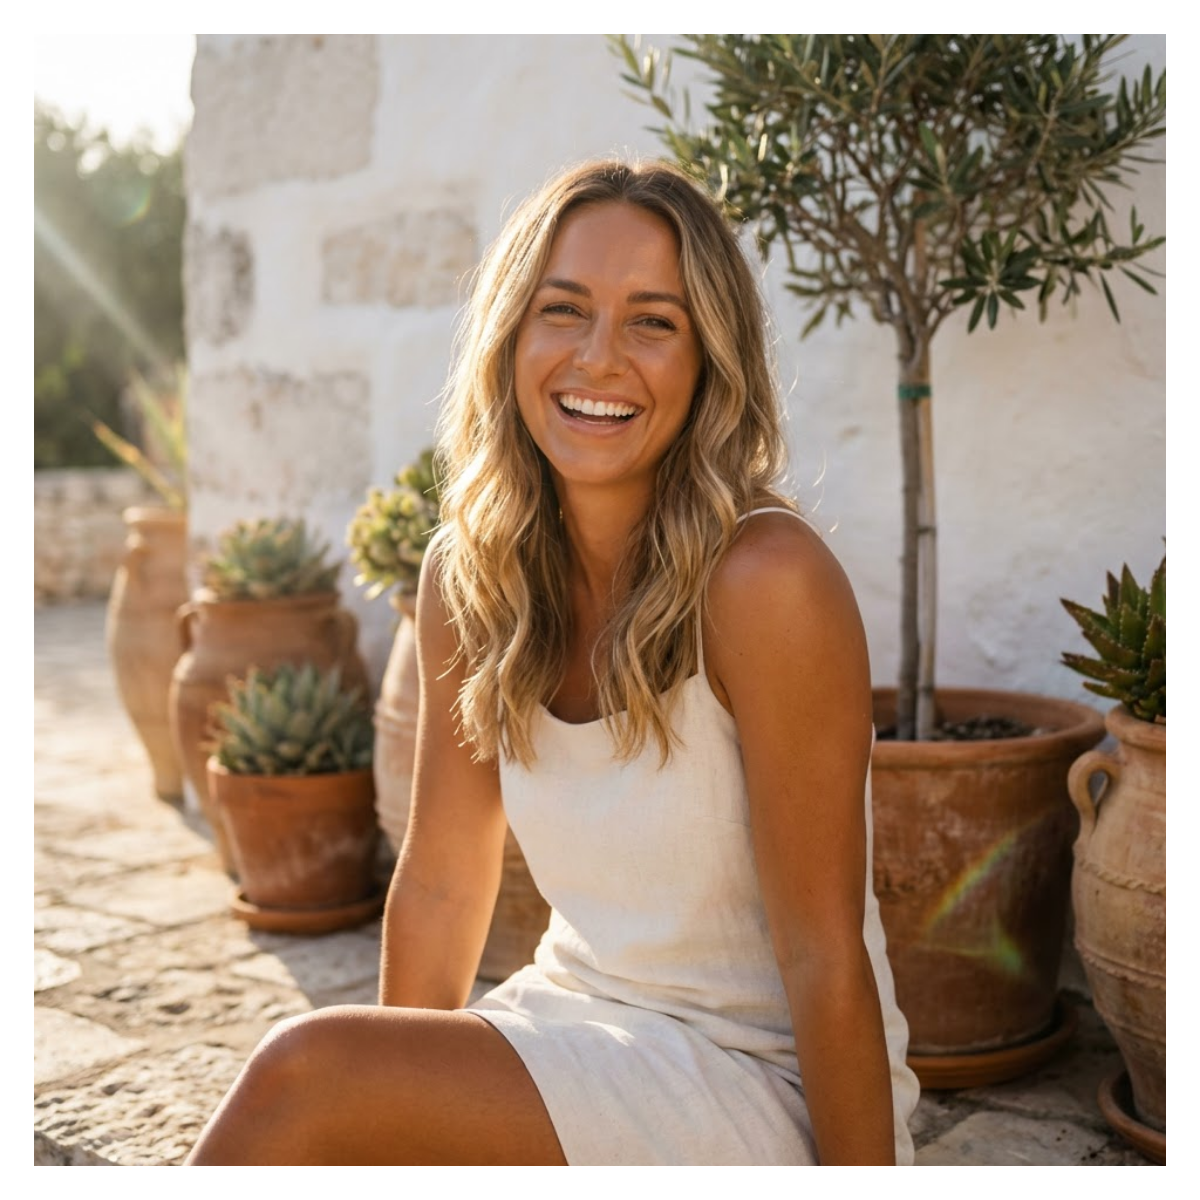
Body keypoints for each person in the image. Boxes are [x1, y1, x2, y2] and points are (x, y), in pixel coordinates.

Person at [186, 158, 920, 1166]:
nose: (600, 357)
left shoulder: (766, 581)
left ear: (710, 359)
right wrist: (394, 1141)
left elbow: (824, 951)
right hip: (576, 1019)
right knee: (338, 1111)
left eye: (654, 322)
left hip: (757, 1075)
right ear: (512, 336)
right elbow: (443, 880)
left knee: (304, 1077)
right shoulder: (469, 575)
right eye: (563, 310)